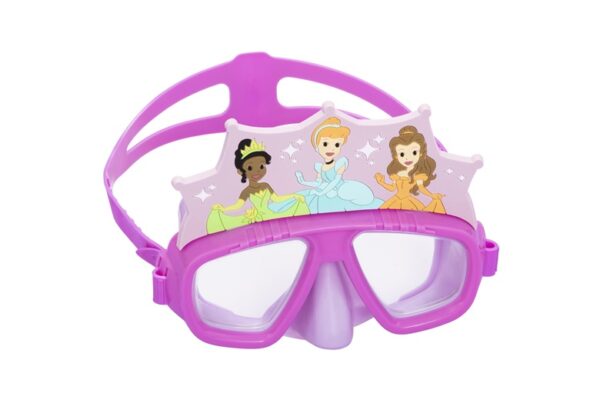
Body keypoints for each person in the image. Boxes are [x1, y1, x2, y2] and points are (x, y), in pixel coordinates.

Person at [206, 139, 309, 233]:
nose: (257, 171)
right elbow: (238, 205)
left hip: (270, 215)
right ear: (241, 172)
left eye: (261, 166)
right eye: (250, 168)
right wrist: (223, 209)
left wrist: (293, 196)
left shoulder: (266, 186)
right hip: (255, 218)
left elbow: (276, 199)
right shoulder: (247, 191)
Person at [294, 117, 382, 213]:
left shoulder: (340, 164)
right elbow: (319, 183)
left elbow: (335, 182)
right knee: (317, 193)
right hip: (331, 190)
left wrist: (322, 192)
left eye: (336, 145)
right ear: (317, 147)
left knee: (341, 193)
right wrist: (303, 181)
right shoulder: (320, 167)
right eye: (325, 144)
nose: (331, 149)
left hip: (343, 188)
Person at [374, 125, 446, 213]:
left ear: (420, 153)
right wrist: (381, 182)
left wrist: (432, 195)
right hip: (395, 200)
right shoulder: (398, 173)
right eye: (402, 154)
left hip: (408, 202)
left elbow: (422, 189)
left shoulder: (417, 175)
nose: (407, 157)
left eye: (414, 152)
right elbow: (392, 188)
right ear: (396, 156)